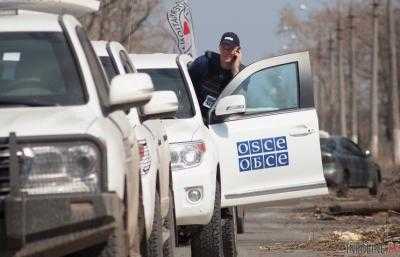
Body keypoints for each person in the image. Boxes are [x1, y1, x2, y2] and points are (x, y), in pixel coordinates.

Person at [189, 32, 245, 119]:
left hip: (223, 122)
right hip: (197, 117)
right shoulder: (203, 63)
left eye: (230, 48)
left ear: (237, 50)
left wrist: (235, 71)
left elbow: (241, 103)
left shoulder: (242, 74)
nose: (226, 51)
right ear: (219, 47)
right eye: (224, 46)